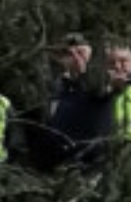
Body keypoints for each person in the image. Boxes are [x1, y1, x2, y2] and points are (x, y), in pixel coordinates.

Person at [42, 32, 117, 171]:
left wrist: (83, 67)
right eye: (67, 54)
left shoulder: (98, 80)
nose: (73, 57)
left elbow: (99, 89)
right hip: (60, 164)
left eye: (79, 52)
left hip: (90, 165)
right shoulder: (60, 86)